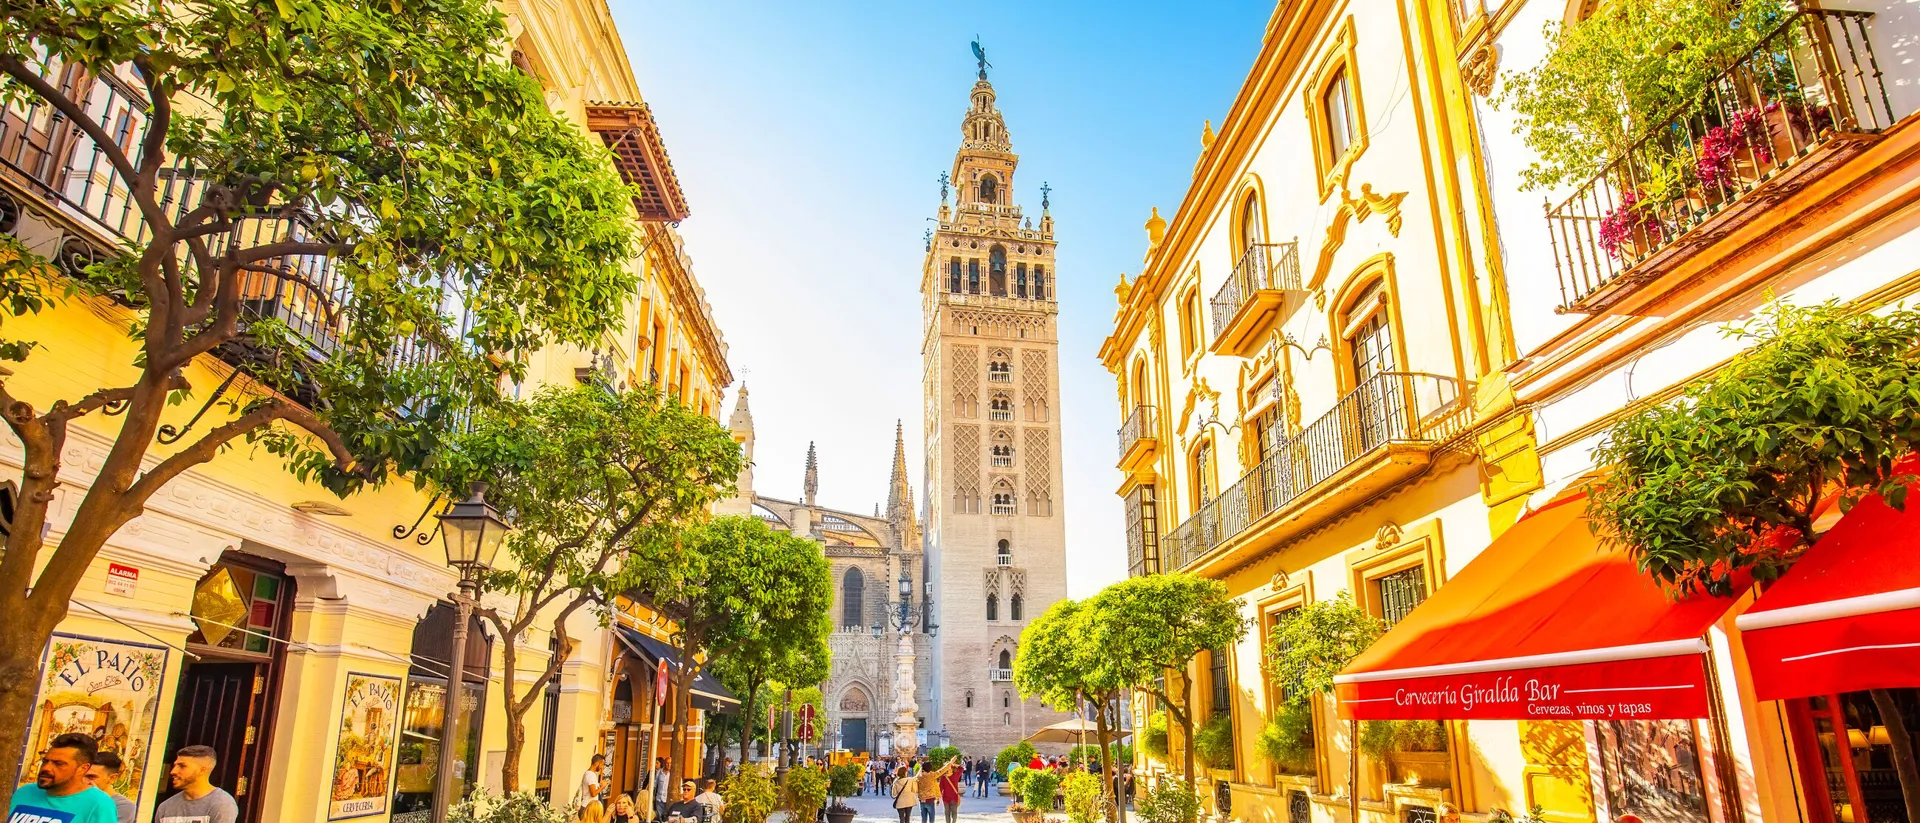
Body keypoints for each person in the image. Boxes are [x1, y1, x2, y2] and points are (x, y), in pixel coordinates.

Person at [8, 732, 119, 823]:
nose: (46, 768)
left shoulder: (99, 804)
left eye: (58, 763)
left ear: (83, 768)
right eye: (45, 761)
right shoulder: (25, 792)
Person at [155, 745, 238, 823]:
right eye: (175, 766)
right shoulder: (165, 807)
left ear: (202, 770)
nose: (173, 771)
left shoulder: (221, 804)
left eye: (182, 766)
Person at [86, 750, 137, 823]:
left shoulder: (123, 806)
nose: (84, 781)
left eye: (91, 777)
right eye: (82, 776)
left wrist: (100, 799)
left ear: (112, 778)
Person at [937, 756, 963, 823]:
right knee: (948, 813)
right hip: (947, 798)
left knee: (952, 813)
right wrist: (937, 798)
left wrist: (952, 764)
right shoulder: (953, 775)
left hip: (952, 798)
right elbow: (940, 788)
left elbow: (961, 768)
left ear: (951, 768)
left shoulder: (951, 776)